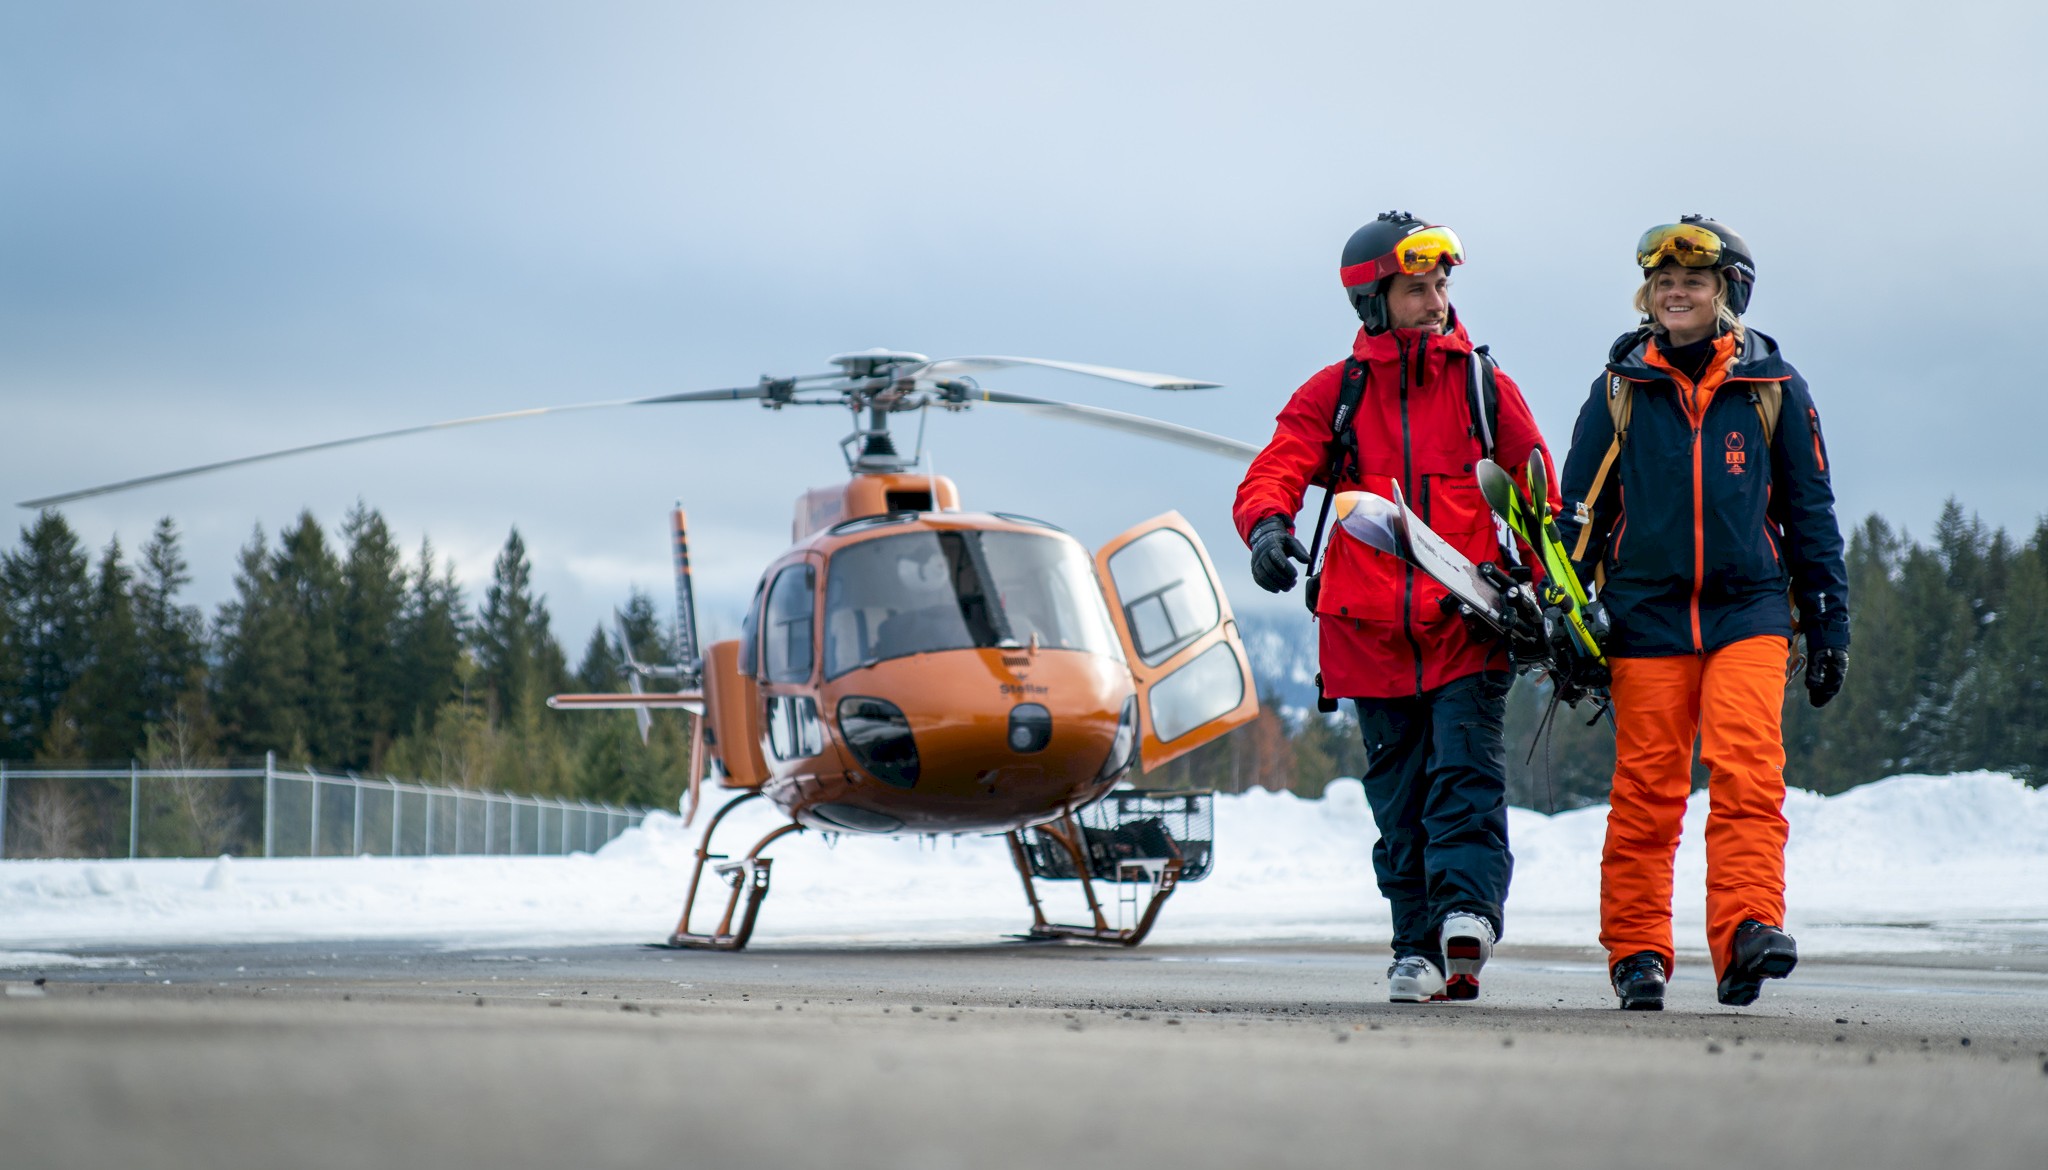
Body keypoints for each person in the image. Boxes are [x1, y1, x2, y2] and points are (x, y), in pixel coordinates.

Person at [1234, 212, 1556, 1003]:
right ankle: (1413, 945)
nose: (1437, 299)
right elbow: (1273, 470)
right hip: (1367, 638)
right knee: (1400, 804)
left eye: (1443, 284)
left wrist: (1553, 584)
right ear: (1375, 301)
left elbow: (1539, 488)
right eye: (1418, 288)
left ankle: (1466, 915)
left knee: (1466, 779)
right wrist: (1269, 530)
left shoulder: (1482, 387)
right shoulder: (1336, 394)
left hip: (1467, 626)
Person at [1555, 216, 1850, 1011]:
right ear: (1647, 296)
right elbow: (1576, 516)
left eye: (1693, 281)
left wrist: (1828, 622)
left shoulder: (1774, 391)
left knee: (1749, 772)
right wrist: (1566, 614)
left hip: (1748, 611)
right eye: (1663, 282)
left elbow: (1811, 512)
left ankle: (1749, 930)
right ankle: (1639, 952)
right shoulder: (1620, 391)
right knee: (1647, 791)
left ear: (1728, 295)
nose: (1675, 291)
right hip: (1644, 618)